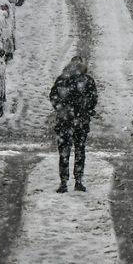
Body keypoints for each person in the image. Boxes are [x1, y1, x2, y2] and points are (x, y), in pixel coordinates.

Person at [49, 56, 98, 192]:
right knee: (79, 151)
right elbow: (93, 98)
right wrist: (86, 109)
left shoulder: (62, 79)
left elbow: (53, 96)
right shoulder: (87, 80)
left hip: (64, 122)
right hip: (80, 122)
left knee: (64, 152)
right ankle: (78, 180)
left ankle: (64, 182)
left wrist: (61, 109)